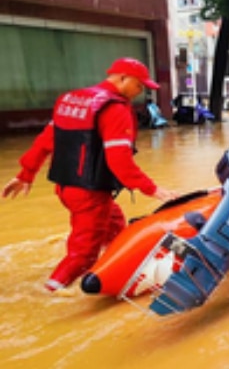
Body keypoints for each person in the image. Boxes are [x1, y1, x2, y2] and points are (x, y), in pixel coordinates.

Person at [1, 57, 180, 293]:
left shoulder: (72, 99)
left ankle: (113, 264)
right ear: (122, 78)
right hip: (90, 194)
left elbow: (46, 140)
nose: (140, 91)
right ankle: (49, 294)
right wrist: (152, 189)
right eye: (139, 85)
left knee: (115, 223)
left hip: (66, 188)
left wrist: (26, 174)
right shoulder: (115, 108)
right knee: (82, 255)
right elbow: (119, 160)